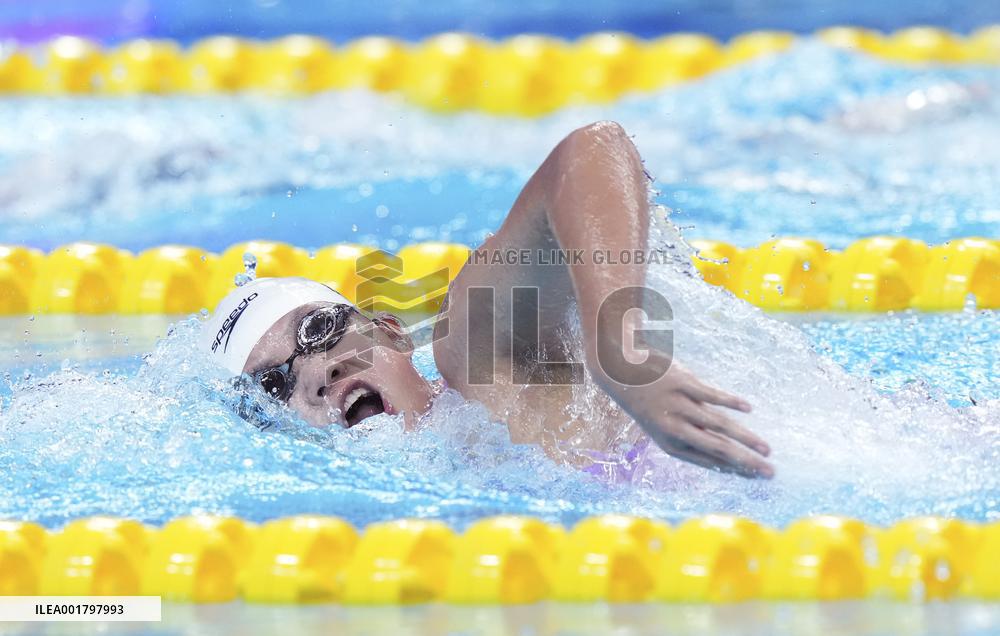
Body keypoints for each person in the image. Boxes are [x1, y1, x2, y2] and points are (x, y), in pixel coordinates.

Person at [202, 121, 774, 479]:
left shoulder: (480, 360)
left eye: (318, 329)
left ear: (391, 332)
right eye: (274, 385)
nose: (316, 374)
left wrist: (616, 345)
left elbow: (591, 152)